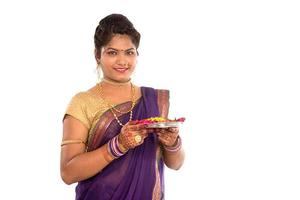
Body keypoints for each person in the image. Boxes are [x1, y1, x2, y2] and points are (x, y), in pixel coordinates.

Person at [60, 13, 185, 200]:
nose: (122, 61)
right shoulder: (83, 102)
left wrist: (172, 143)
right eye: (112, 52)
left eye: (129, 52)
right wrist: (118, 145)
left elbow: (176, 164)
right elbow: (68, 173)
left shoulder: (153, 99)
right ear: (97, 55)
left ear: (137, 54)